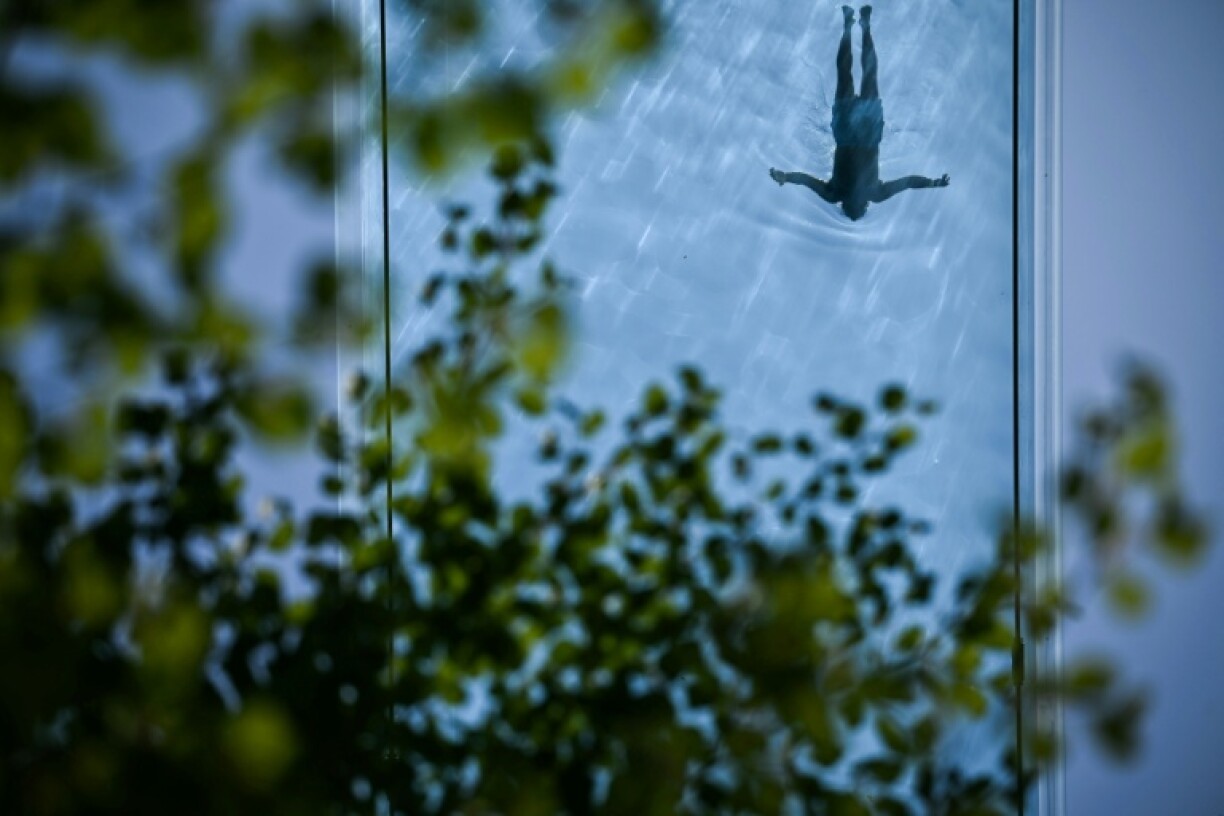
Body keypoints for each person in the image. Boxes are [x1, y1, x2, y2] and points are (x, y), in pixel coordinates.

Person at [769, 5, 950, 221]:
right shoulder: (836, 194)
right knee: (848, 73)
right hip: (850, 132)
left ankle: (861, 26)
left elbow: (907, 183)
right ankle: (852, 26)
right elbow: (807, 181)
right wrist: (786, 177)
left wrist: (933, 183)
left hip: (866, 133)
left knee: (867, 73)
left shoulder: (872, 194)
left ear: (863, 207)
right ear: (846, 207)